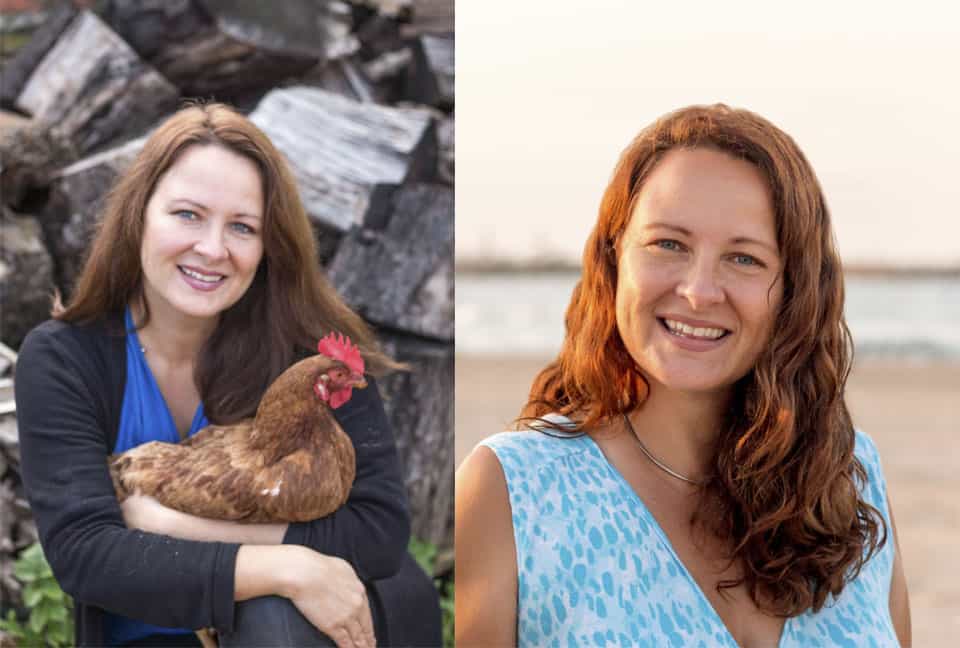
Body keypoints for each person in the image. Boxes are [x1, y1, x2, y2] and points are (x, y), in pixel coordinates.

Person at [456, 104, 911, 647]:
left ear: (794, 290)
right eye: (669, 244)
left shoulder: (852, 475)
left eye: (744, 259)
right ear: (613, 257)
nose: (698, 291)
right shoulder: (511, 490)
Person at [15, 103, 441, 647]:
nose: (212, 249)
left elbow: (377, 533)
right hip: (148, 638)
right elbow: (88, 554)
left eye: (242, 227)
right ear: (139, 215)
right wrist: (286, 567)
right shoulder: (64, 359)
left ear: (268, 247)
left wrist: (171, 526)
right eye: (188, 214)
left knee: (274, 617)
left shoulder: (310, 361)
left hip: (299, 635)